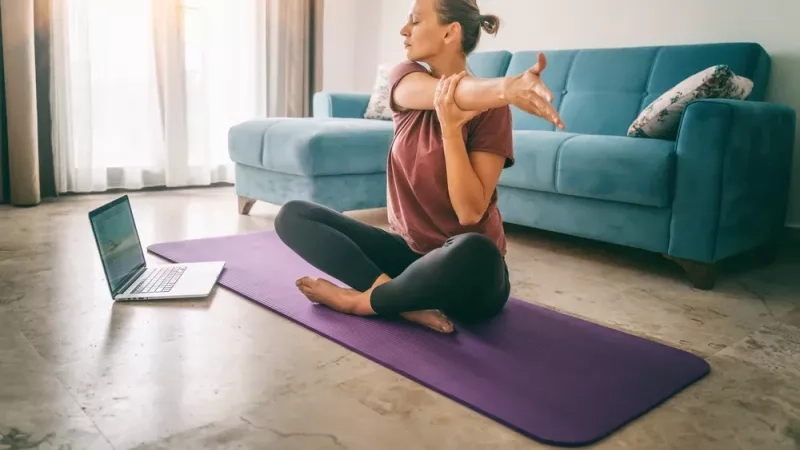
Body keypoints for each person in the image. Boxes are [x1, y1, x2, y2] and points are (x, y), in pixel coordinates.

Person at [274, 0, 564, 334]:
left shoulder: (493, 112)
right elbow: (449, 93)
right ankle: (397, 301)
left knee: (476, 249)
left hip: (466, 275)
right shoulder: (405, 78)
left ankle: (361, 302)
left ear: (449, 32)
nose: (404, 30)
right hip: (408, 257)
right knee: (293, 215)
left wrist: (452, 130)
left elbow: (469, 213)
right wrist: (505, 88)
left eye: (415, 21)